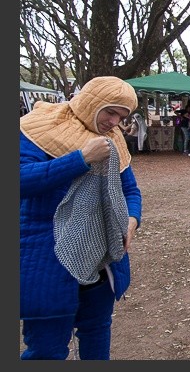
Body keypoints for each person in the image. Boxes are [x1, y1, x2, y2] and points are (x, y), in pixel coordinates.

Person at [20, 76, 143, 360]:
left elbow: (130, 190)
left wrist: (132, 219)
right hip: (47, 258)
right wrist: (79, 158)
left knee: (97, 330)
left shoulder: (114, 141)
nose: (114, 122)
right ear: (92, 103)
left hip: (102, 260)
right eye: (110, 112)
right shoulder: (36, 130)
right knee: (47, 350)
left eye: (122, 116)